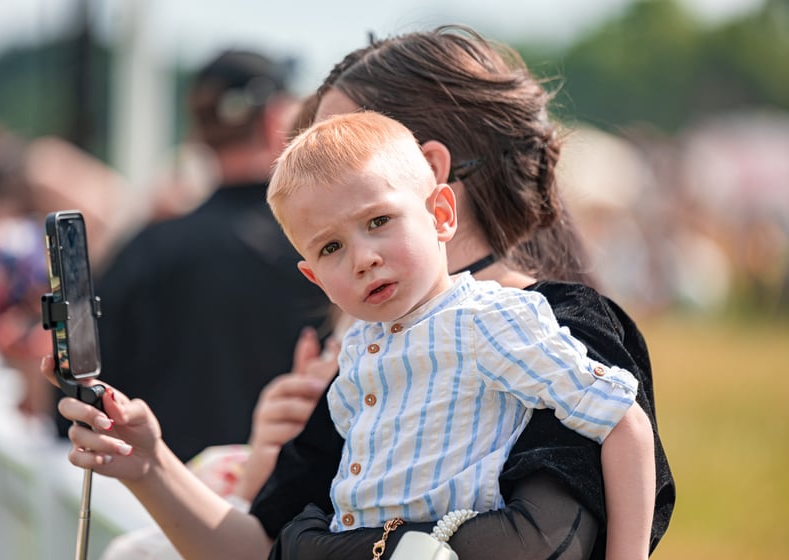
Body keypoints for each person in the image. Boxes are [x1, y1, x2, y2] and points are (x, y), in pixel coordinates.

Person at [43, 25, 674, 560]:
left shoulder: (552, 323)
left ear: (432, 175)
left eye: (340, 143)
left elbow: (533, 544)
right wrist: (151, 463)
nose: (312, 164)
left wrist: (328, 543)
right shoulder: (365, 352)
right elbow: (259, 547)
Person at [265, 109, 654, 557]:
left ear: (441, 214)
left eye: (378, 221)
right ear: (315, 278)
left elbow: (623, 420)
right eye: (331, 247)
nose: (363, 258)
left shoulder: (488, 319)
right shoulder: (356, 354)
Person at [75, 49, 330, 463]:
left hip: (166, 501)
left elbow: (88, 391)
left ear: (200, 134)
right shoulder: (321, 246)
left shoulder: (146, 249)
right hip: (293, 508)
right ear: (274, 122)